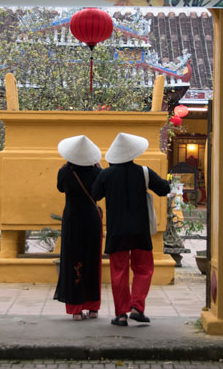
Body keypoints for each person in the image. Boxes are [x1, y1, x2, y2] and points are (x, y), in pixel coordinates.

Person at [91, 132, 170, 327]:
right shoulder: (144, 172)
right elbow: (163, 189)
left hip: (117, 232)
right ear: (133, 153)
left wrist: (100, 174)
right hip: (140, 231)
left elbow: (95, 194)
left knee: (119, 272)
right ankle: (137, 308)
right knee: (143, 270)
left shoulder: (106, 174)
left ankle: (120, 315)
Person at [54, 135, 104, 321]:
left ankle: (75, 309)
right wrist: (99, 168)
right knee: (92, 261)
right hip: (91, 219)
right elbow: (101, 193)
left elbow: (60, 188)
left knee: (72, 259)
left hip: (72, 219)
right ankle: (92, 308)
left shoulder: (65, 172)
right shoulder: (97, 172)